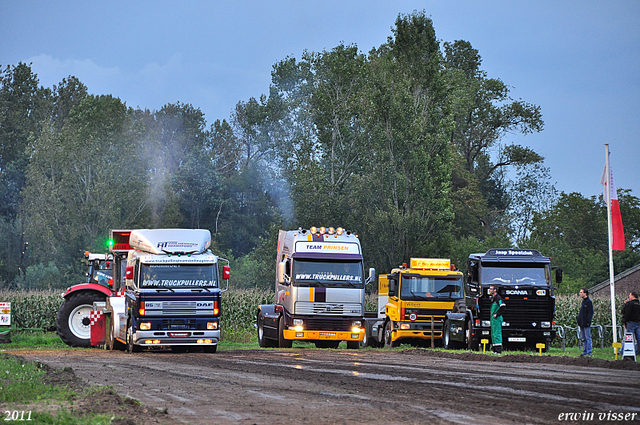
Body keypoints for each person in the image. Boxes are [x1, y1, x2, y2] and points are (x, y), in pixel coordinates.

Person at [489, 284, 505, 354]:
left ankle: (498, 350)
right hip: (493, 319)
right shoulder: (493, 298)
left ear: (495, 290)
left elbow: (503, 306)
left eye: (491, 289)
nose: (490, 290)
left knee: (497, 333)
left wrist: (497, 314)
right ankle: (494, 349)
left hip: (497, 319)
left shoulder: (498, 298)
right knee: (493, 334)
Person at [577, 288, 594, 357]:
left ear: (585, 293)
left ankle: (589, 351)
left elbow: (590, 313)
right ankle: (584, 351)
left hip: (586, 323)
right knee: (583, 338)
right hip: (581, 323)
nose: (580, 294)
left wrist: (588, 321)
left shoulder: (588, 302)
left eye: (581, 292)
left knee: (587, 337)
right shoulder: (583, 302)